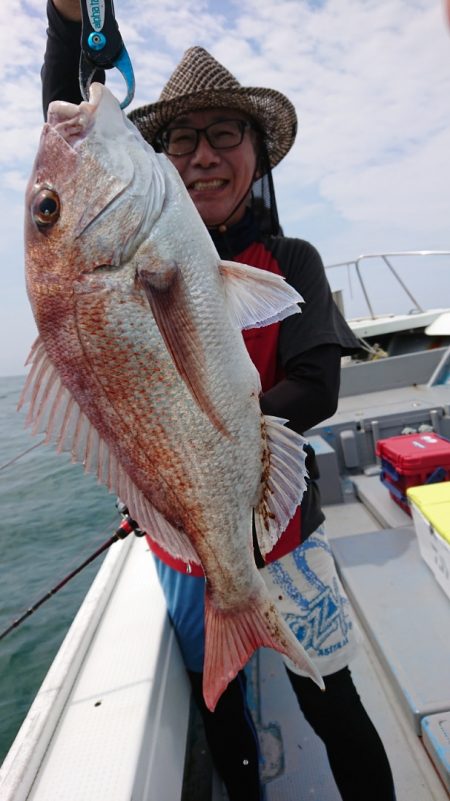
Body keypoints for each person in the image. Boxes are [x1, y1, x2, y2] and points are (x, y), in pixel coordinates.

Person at [42, 4, 397, 800]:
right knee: (223, 712)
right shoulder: (135, 243)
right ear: (156, 159)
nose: (202, 155)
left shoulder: (289, 258)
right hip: (182, 548)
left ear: (256, 152)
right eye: (181, 138)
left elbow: (319, 384)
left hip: (288, 537)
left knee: (334, 701)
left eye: (224, 135)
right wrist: (69, 21)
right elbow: (68, 151)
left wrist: (221, 445)